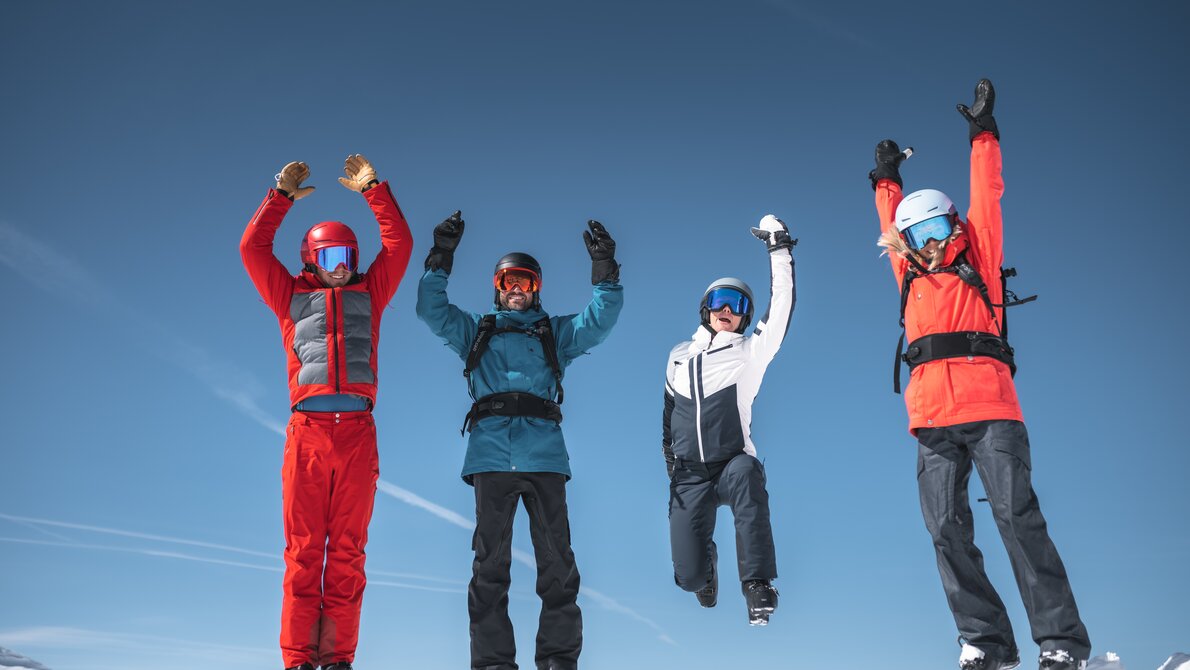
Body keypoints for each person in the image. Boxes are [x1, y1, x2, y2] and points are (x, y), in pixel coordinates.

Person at [869, 79, 1091, 670]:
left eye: (937, 230)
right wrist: (886, 179)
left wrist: (982, 134)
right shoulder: (909, 276)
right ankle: (986, 642)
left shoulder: (980, 258)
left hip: (990, 409)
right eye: (917, 237)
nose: (930, 244)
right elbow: (888, 219)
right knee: (945, 529)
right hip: (930, 420)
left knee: (1016, 519)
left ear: (953, 226)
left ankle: (1060, 640)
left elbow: (986, 195)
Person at [415, 212, 623, 670]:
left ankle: (558, 660)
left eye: (525, 281)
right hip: (490, 455)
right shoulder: (477, 330)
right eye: (509, 280)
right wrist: (441, 257)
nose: (517, 288)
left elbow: (600, 320)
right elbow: (431, 310)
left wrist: (604, 271)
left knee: (557, 563)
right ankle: (493, 663)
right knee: (489, 565)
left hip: (545, 456)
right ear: (497, 286)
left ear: (536, 289)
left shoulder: (554, 334)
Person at [240, 155, 414, 670]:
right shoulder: (289, 295)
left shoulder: (371, 293)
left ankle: (338, 659)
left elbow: (400, 245)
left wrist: (374, 191)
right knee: (303, 552)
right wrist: (279, 198)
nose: (341, 266)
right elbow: (252, 249)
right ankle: (298, 659)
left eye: (348, 256)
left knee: (347, 554)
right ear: (310, 259)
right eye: (331, 256)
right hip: (308, 434)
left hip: (358, 434)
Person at [661, 214, 796, 626]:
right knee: (687, 578)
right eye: (719, 300)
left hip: (731, 462)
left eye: (736, 305)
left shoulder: (750, 351)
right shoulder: (678, 356)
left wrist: (779, 250)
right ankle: (705, 568)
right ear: (706, 308)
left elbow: (782, 306)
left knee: (748, 474)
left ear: (744, 317)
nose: (726, 310)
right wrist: (671, 464)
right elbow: (668, 415)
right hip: (690, 474)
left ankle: (757, 584)